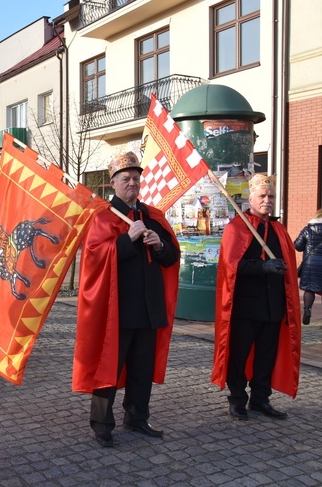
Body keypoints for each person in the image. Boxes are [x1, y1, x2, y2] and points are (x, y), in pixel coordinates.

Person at [73, 152, 180, 448]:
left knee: (142, 366)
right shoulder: (104, 216)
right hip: (117, 309)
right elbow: (95, 258)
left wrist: (160, 245)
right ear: (113, 183)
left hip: (150, 306)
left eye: (136, 178)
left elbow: (171, 258)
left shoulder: (152, 216)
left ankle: (137, 416)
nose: (132, 183)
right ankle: (102, 423)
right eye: (125, 179)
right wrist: (127, 239)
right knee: (109, 365)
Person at [212, 174, 301, 420]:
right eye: (262, 196)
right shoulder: (237, 227)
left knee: (266, 356)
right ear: (251, 198)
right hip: (245, 307)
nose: (267, 200)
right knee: (239, 356)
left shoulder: (278, 230)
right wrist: (262, 267)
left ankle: (260, 399)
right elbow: (232, 266)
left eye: (271, 196)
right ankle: (237, 399)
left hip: (273, 307)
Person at [294, 208, 322, 325]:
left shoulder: (308, 230)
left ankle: (307, 310)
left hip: (310, 264)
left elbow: (297, 246)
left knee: (309, 288)